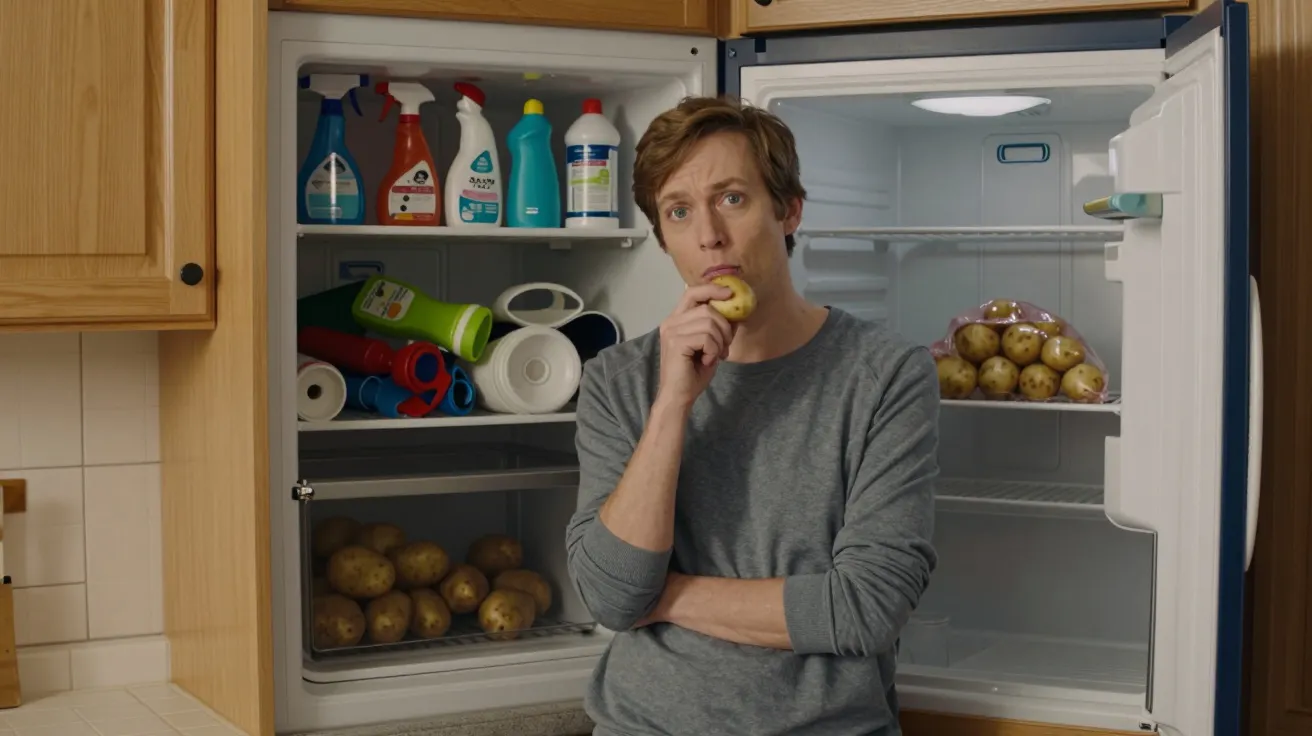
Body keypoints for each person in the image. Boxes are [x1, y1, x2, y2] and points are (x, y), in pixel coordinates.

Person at [564, 95, 940, 736]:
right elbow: (610, 596)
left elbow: (864, 609)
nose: (708, 233)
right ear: (665, 239)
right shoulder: (618, 381)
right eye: (679, 212)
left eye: (731, 198)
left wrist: (666, 595)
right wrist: (673, 403)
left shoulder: (885, 375)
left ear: (788, 210)